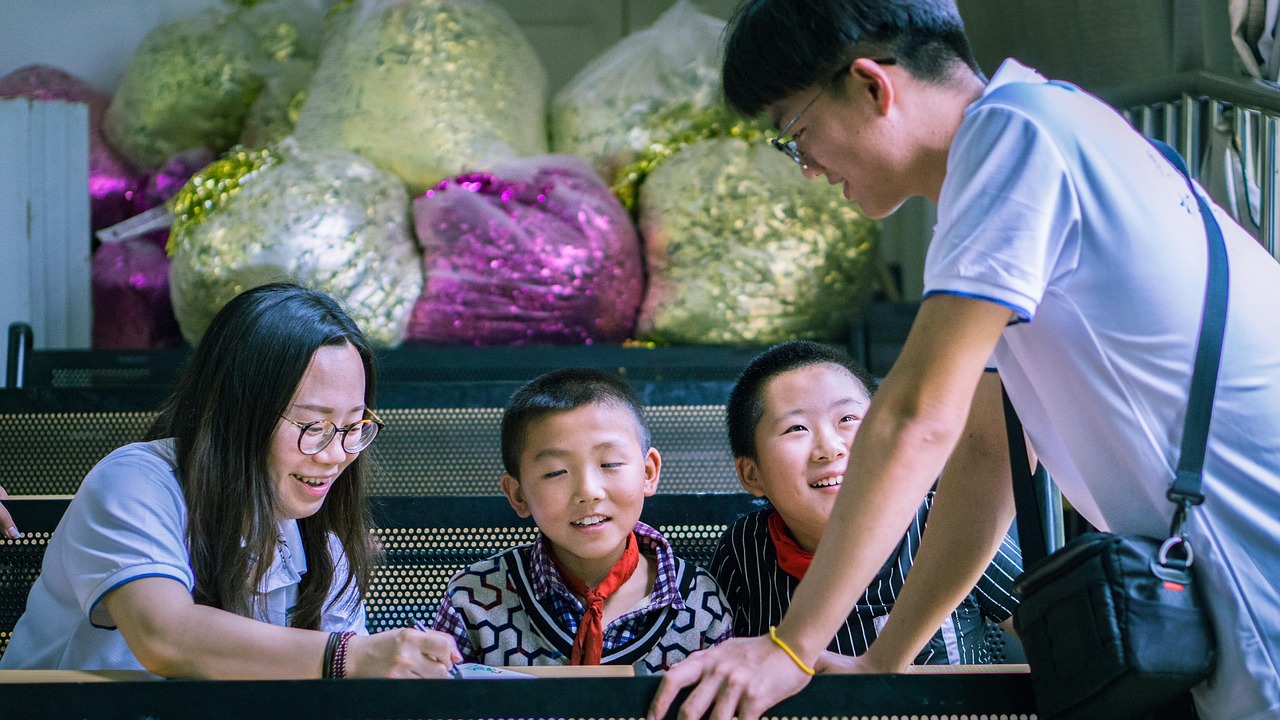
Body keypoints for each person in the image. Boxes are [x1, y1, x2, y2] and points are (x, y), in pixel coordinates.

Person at [649, 2, 1280, 720]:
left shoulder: (1013, 139)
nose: (810, 171)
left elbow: (916, 415)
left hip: (1253, 557)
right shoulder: (1037, 135)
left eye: (796, 135)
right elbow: (984, 455)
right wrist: (885, 658)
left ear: (869, 86)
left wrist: (789, 648)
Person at [0, 283, 460, 679]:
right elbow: (164, 637)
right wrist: (348, 656)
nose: (337, 454)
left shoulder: (320, 544)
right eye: (312, 427)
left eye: (353, 427)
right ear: (237, 414)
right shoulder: (134, 482)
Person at [711, 340, 1021, 665]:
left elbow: (1049, 628)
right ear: (751, 475)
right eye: (796, 428)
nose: (830, 448)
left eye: (847, 419)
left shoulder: (945, 523)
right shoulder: (744, 550)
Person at [430, 368, 734, 673]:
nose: (588, 491)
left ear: (648, 472)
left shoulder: (698, 600)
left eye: (610, 463)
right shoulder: (473, 599)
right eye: (555, 472)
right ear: (518, 495)